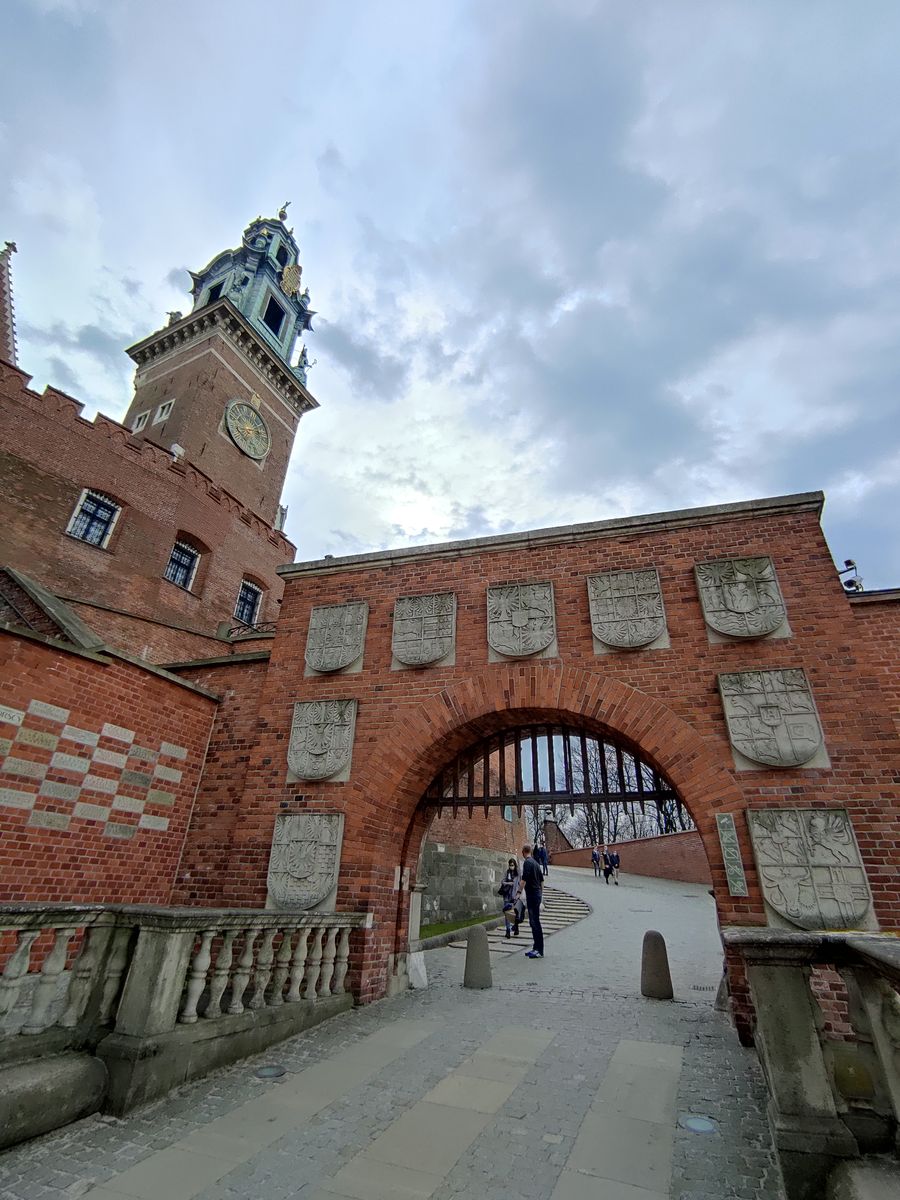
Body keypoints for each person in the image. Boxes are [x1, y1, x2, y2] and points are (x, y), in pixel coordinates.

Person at [520, 844, 544, 959]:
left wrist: (518, 892)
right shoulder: (536, 863)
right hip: (537, 894)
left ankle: (539, 950)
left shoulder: (527, 863)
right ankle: (536, 947)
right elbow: (542, 881)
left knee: (535, 922)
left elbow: (523, 879)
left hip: (532, 895)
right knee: (534, 922)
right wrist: (541, 894)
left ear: (523, 852)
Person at [499, 857, 521, 938]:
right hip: (507, 895)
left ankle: (516, 927)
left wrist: (519, 893)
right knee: (507, 913)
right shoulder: (507, 872)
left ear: (515, 865)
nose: (511, 866)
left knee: (516, 913)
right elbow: (502, 881)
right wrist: (509, 883)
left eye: (512, 865)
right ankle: (508, 930)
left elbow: (521, 883)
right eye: (510, 865)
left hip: (515, 896)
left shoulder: (518, 873)